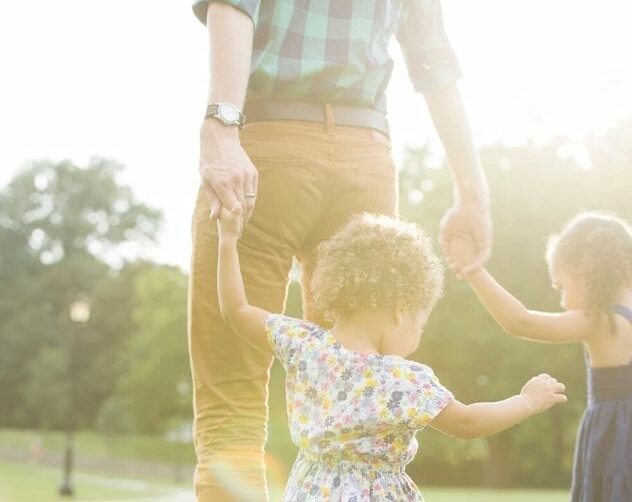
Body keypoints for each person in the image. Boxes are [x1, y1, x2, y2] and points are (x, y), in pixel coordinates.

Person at [189, 0, 491, 499]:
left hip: (269, 147)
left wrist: (223, 124)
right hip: (366, 163)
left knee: (233, 409)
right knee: (359, 403)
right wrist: (472, 190)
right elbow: (431, 53)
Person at [217, 211, 566, 501]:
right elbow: (467, 423)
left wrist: (228, 240)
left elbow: (236, 309)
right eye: (420, 323)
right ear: (401, 311)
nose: (418, 337)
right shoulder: (401, 381)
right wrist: (527, 401)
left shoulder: (304, 345)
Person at [450, 212, 632, 502]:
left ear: (586, 271)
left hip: (618, 459)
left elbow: (520, 322)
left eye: (561, 286)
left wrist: (474, 271)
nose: (562, 301)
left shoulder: (598, 320)